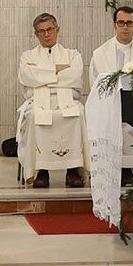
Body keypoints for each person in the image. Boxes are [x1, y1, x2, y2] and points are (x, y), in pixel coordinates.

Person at [86, 5, 133, 221]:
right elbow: (94, 85)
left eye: (130, 23)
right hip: (110, 110)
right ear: (114, 25)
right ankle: (119, 171)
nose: (125, 27)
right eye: (121, 23)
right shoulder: (100, 53)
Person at [14, 14, 86, 189]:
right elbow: (27, 77)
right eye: (41, 31)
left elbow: (74, 77)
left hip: (67, 100)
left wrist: (41, 75)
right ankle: (41, 171)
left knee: (77, 114)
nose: (46, 34)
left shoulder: (72, 55)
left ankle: (73, 170)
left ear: (57, 30)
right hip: (38, 101)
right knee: (34, 117)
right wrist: (59, 71)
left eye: (50, 29)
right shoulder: (27, 56)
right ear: (35, 34)